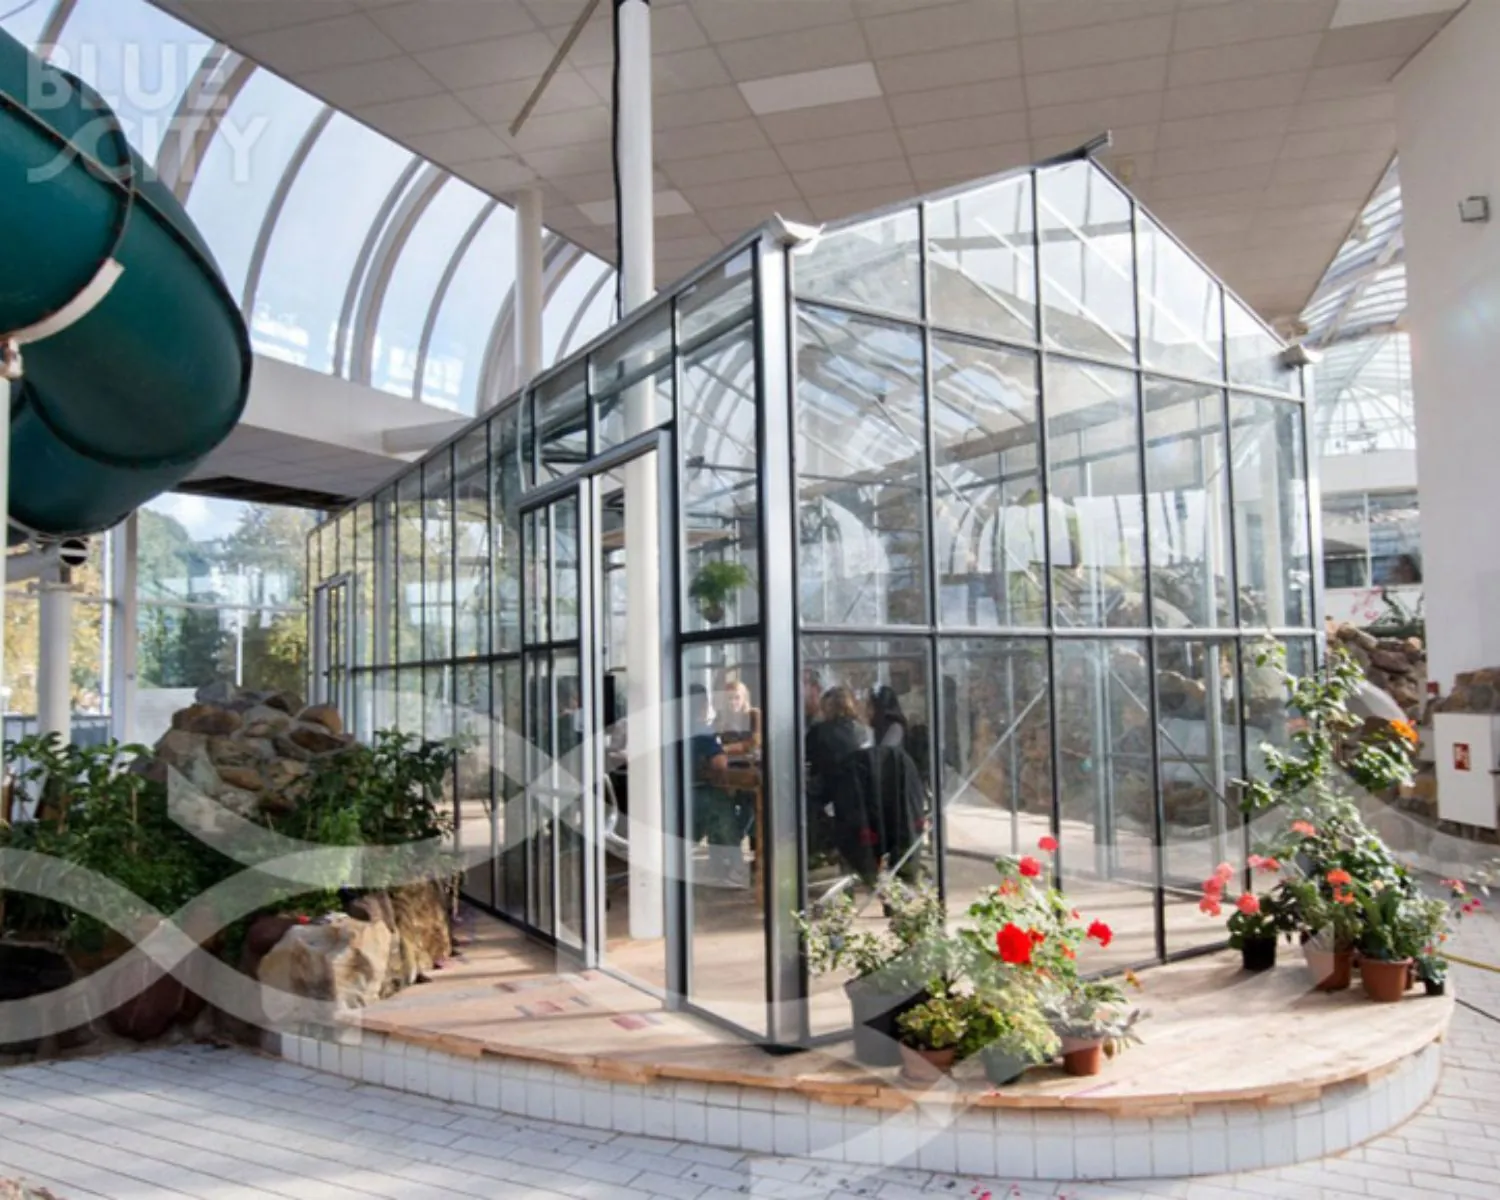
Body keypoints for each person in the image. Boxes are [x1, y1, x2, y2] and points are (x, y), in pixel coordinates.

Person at [689, 684, 747, 887]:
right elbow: (720, 763)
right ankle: (737, 869)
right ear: (704, 705)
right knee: (724, 803)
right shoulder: (700, 729)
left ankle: (717, 865)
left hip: (674, 794)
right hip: (696, 793)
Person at [715, 678, 762, 757]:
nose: (733, 702)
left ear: (744, 698)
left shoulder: (754, 715)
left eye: (737, 698)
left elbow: (755, 743)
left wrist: (725, 748)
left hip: (753, 762)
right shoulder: (721, 718)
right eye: (729, 698)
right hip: (730, 761)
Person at [867, 685, 908, 749]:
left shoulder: (895, 727)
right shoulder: (875, 726)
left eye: (871, 707)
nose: (868, 712)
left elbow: (883, 753)